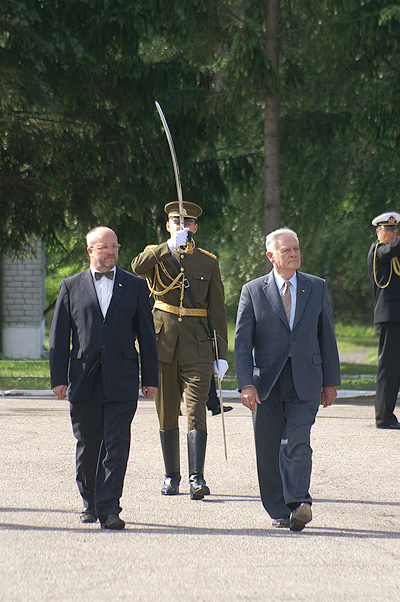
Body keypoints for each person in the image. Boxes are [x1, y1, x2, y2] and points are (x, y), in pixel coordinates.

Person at [49, 227, 158, 530]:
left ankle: (110, 507)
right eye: (104, 247)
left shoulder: (135, 286)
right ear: (90, 251)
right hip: (83, 379)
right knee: (88, 444)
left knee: (117, 443)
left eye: (114, 246)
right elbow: (59, 337)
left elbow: (148, 337)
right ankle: (89, 501)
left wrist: (151, 378)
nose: (111, 252)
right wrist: (58, 378)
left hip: (122, 378)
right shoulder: (71, 286)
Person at [235, 228, 340, 531]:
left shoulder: (316, 287)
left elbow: (327, 337)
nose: (294, 254)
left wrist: (330, 381)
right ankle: (279, 509)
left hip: (305, 379)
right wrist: (246, 384)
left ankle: (298, 502)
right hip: (266, 382)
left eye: (296, 249)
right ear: (271, 256)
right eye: (286, 251)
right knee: (269, 449)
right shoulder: (253, 291)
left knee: (298, 441)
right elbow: (242, 342)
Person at [131, 201, 228, 500]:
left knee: (196, 408)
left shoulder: (207, 261)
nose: (183, 226)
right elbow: (136, 267)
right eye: (177, 222)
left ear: (196, 226)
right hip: (162, 343)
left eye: (188, 223)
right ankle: (171, 475)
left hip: (198, 344)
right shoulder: (157, 255)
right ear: (168, 226)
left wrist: (221, 353)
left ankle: (196, 477)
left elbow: (217, 308)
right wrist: (166, 246)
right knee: (166, 411)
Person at [367, 211, 400, 429]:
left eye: (395, 229)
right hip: (389, 317)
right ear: (378, 231)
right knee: (388, 368)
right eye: (388, 229)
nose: (392, 233)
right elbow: (391, 250)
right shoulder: (378, 249)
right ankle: (383, 417)